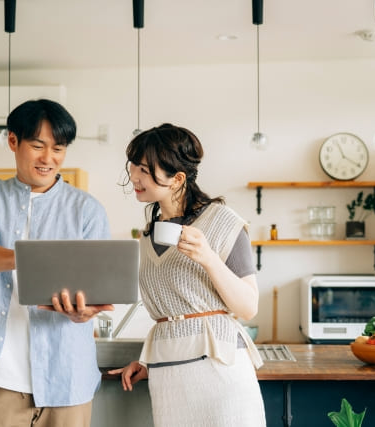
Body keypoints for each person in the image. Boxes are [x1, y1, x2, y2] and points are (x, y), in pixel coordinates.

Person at [0, 99, 113, 427]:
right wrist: (35, 260)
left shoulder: (87, 209)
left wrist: (84, 313)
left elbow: (96, 288)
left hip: (68, 375)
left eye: (59, 149)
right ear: (13, 141)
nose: (48, 158)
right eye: (38, 145)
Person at [109, 123, 266, 426]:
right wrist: (148, 363)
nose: (134, 177)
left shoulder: (222, 221)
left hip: (221, 378)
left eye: (144, 169)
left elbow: (248, 306)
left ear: (178, 178)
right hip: (169, 381)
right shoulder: (148, 235)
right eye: (134, 167)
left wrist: (208, 258)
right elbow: (172, 313)